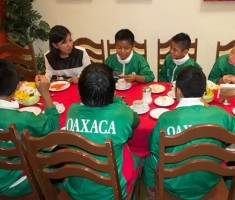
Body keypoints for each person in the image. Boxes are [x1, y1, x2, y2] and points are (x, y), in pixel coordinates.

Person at [144, 66, 235, 199]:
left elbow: (154, 148)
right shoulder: (221, 115)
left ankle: (151, 190)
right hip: (209, 182)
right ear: (203, 91)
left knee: (151, 158)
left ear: (177, 91)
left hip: (174, 185)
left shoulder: (166, 118)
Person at [63, 63, 142, 199]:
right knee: (140, 156)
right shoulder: (122, 112)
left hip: (77, 190)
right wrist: (118, 101)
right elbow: (136, 122)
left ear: (79, 92)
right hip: (112, 193)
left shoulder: (72, 110)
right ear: (113, 93)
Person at [0, 59, 59, 197]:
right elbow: (53, 128)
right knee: (61, 151)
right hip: (13, 183)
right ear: (17, 86)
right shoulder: (21, 119)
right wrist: (44, 92)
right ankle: (56, 191)